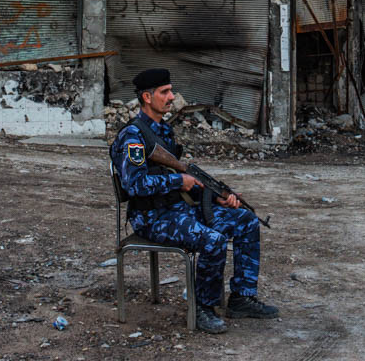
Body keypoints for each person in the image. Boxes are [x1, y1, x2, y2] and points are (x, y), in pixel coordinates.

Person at [109, 68, 278, 334]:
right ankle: (202, 308)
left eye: (170, 91)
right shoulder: (133, 136)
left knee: (245, 221)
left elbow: (182, 178)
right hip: (152, 217)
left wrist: (216, 197)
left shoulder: (163, 131)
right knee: (213, 240)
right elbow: (135, 185)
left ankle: (241, 298)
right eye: (164, 92)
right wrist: (179, 181)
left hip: (178, 210)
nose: (171, 97)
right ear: (147, 97)